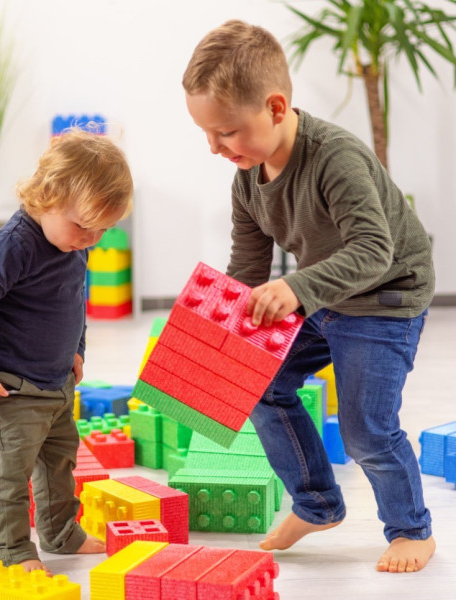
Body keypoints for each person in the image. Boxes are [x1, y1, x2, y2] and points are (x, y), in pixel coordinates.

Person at [182, 20, 436, 574]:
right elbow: (247, 269)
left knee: (366, 428)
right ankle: (317, 504)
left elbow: (373, 250)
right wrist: (217, 340)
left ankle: (411, 528)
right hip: (323, 295)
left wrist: (295, 289)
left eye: (225, 132)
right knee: (262, 382)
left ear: (275, 108)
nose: (215, 148)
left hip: (384, 297)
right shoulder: (247, 178)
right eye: (206, 134)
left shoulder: (335, 158)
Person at [0, 129, 133, 574]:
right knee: (11, 475)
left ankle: (61, 532)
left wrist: (77, 349)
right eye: (82, 226)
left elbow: (75, 301)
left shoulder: (73, 244)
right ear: (47, 196)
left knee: (59, 465)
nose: (91, 238)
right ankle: (14, 548)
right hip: (9, 389)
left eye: (103, 229)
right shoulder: (15, 245)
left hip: (55, 384)